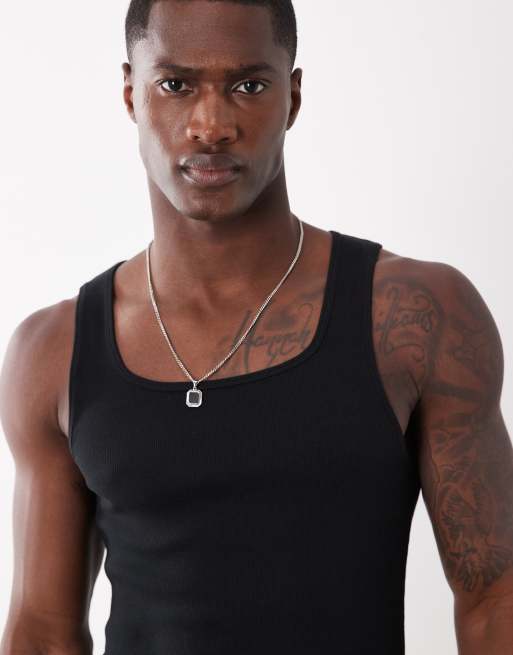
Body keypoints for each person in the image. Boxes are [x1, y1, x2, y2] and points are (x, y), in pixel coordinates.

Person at [1, 1, 512, 654]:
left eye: (247, 85)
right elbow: (42, 632)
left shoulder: (413, 314)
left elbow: (494, 594)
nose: (211, 126)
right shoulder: (54, 349)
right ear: (131, 92)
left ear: (291, 97)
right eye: (175, 84)